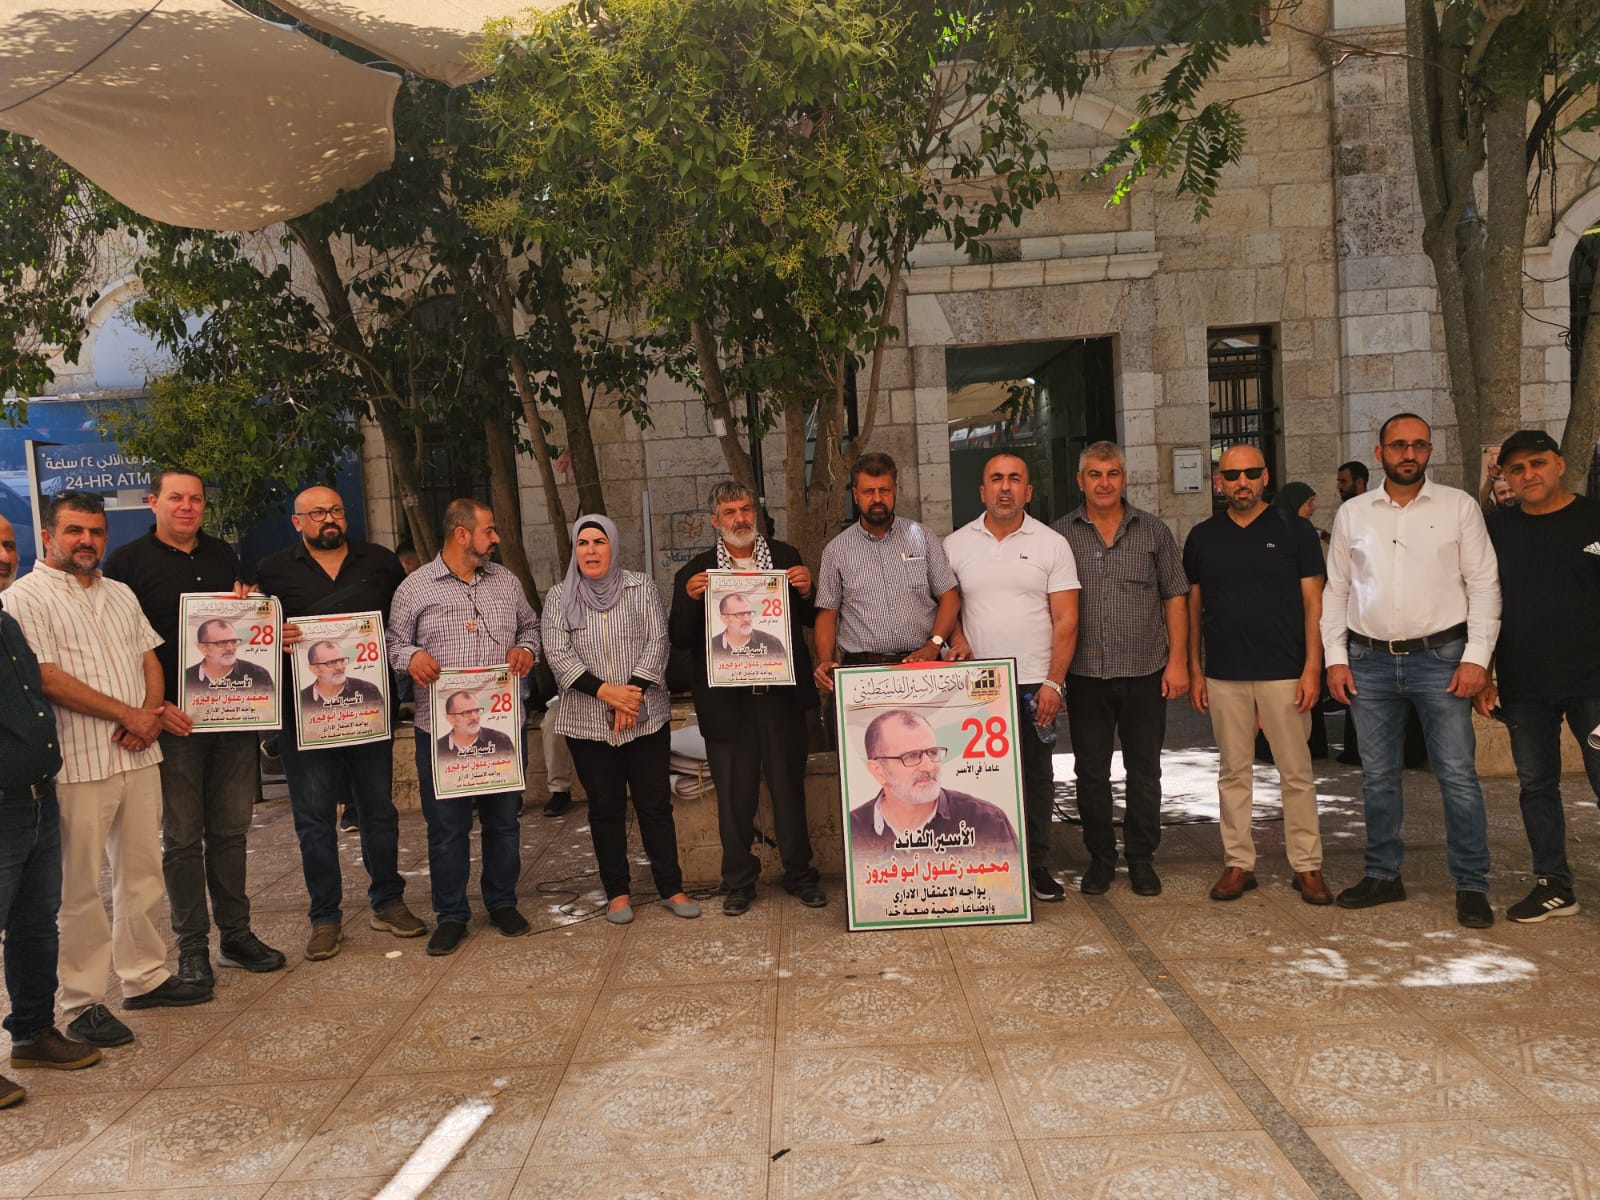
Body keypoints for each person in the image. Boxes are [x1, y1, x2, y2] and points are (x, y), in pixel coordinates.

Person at [5, 491, 212, 1050]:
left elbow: (149, 657)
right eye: (74, 531)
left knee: (142, 874)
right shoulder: (24, 598)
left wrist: (147, 715)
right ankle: (81, 1003)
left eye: (96, 531)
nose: (87, 541)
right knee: (79, 890)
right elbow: (46, 676)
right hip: (77, 763)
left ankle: (144, 977)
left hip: (138, 754)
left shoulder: (119, 591)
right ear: (47, 536)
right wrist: (129, 715)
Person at [103, 469, 285, 991]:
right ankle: (191, 948)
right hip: (173, 723)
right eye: (176, 498)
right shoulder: (126, 565)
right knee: (182, 839)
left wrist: (255, 610)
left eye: (196, 499)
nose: (187, 506)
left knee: (230, 831)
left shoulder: (224, 555)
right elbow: (120, 647)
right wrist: (154, 707)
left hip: (233, 718)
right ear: (153, 502)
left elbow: (245, 630)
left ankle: (236, 936)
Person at [1322, 413, 1500, 928]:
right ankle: (1382, 874)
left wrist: (1477, 658)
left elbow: (1484, 585)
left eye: (1418, 445)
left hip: (1441, 660)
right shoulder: (1354, 513)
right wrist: (1336, 658)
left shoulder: (1458, 507)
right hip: (1369, 662)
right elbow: (1337, 589)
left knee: (1457, 775)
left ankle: (1471, 883)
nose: (1409, 454)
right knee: (1378, 777)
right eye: (1398, 445)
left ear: (1429, 451)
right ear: (1379, 452)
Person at [256, 485, 425, 961]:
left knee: (379, 811)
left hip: (368, 709)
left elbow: (402, 627)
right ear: (297, 522)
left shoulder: (380, 562)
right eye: (317, 513)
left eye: (335, 510)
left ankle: (388, 902)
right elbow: (253, 633)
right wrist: (273, 634)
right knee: (314, 819)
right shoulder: (272, 570)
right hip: (304, 715)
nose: (328, 519)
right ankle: (324, 917)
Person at [389, 498, 540, 954]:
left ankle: (502, 903)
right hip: (440, 732)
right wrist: (411, 656)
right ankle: (452, 915)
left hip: (500, 727)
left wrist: (526, 651)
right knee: (447, 828)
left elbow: (531, 629)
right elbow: (392, 644)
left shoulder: (506, 582)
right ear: (461, 534)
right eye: (489, 530)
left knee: (504, 822)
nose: (496, 538)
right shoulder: (415, 587)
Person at [1184, 446, 1332, 904]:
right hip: (1225, 674)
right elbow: (1193, 608)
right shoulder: (1203, 536)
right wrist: (1194, 669)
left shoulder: (1296, 531)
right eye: (1232, 475)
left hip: (1285, 672)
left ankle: (1307, 865)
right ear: (1219, 482)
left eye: (1250, 473)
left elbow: (1314, 605)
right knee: (1233, 772)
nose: (1242, 482)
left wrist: (1313, 668)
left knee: (1296, 773)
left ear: (1266, 476)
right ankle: (1238, 863)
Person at [670, 481, 825, 915]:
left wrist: (807, 589)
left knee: (789, 791)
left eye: (745, 509)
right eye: (729, 512)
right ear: (715, 521)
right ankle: (738, 881)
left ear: (754, 513)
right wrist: (690, 600)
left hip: (780, 699)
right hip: (728, 704)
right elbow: (678, 637)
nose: (739, 518)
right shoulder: (696, 572)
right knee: (734, 798)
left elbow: (811, 619)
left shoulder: (785, 557)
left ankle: (800, 875)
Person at [544, 514, 699, 925]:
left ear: (613, 546)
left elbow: (658, 641)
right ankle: (617, 893)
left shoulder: (640, 586)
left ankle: (671, 887)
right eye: (583, 543)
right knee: (605, 809)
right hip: (588, 724)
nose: (591, 550)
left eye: (599, 541)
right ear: (574, 551)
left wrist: (630, 697)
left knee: (654, 805)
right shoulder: (559, 597)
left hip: (645, 717)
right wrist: (608, 694)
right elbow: (558, 655)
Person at [1051, 442, 1189, 896]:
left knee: (1144, 770)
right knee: (1091, 773)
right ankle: (1101, 858)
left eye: (1112, 473)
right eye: (1094, 474)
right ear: (1080, 481)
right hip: (1086, 675)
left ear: (1124, 478)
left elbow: (1175, 597)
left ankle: (1142, 858)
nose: (1104, 482)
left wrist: (1178, 662)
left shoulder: (1153, 532)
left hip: (1145, 671)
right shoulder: (1060, 536)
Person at [944, 453, 1080, 900]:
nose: (1005, 487)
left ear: (1028, 491)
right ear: (982, 491)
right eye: (997, 479)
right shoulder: (955, 545)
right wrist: (957, 639)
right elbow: (946, 607)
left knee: (1036, 778)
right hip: (975, 687)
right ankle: (984, 865)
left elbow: (1066, 619)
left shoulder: (1052, 544)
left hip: (1033, 685)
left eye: (1015, 479)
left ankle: (1036, 865)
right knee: (976, 780)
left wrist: (1054, 682)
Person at [1477, 429, 1600, 922]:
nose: (1528, 474)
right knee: (1536, 787)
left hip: (1594, 684)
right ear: (1506, 476)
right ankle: (1554, 884)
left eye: (1538, 463)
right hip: (1525, 686)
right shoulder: (1496, 531)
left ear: (1559, 464)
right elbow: (1484, 604)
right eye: (1517, 468)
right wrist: (1484, 673)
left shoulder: (1595, 518)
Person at [1, 522, 103, 1106]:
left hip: (36, 797)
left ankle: (34, 1033)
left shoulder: (5, 622)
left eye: (7, 545)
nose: (3, 556)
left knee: (36, 925)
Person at [813, 452, 960, 688]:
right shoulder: (836, 550)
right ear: (855, 495)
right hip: (862, 674)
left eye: (884, 490)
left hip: (922, 666)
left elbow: (950, 597)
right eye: (868, 492)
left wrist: (934, 644)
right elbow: (827, 614)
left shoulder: (923, 537)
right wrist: (825, 660)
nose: (877, 499)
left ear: (895, 491)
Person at [848, 709, 1018, 857]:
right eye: (911, 756)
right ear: (879, 771)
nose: (928, 766)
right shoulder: (852, 830)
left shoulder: (987, 823)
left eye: (933, 753)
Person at [181, 618, 275, 695]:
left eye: (233, 641)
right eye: (222, 642)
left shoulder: (258, 676)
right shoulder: (186, 678)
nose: (230, 648)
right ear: (203, 648)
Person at [299, 640, 385, 714]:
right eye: (331, 662)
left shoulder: (368, 691)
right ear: (314, 669)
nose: (340, 667)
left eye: (342, 660)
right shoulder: (301, 700)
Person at [436, 689, 516, 756]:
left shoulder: (500, 741)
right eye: (467, 712)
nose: (475, 717)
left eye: (477, 711)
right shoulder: (438, 748)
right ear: (451, 718)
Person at [709, 592, 786, 661]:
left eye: (749, 613)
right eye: (739, 614)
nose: (747, 619)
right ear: (725, 619)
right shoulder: (711, 647)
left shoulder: (772, 644)